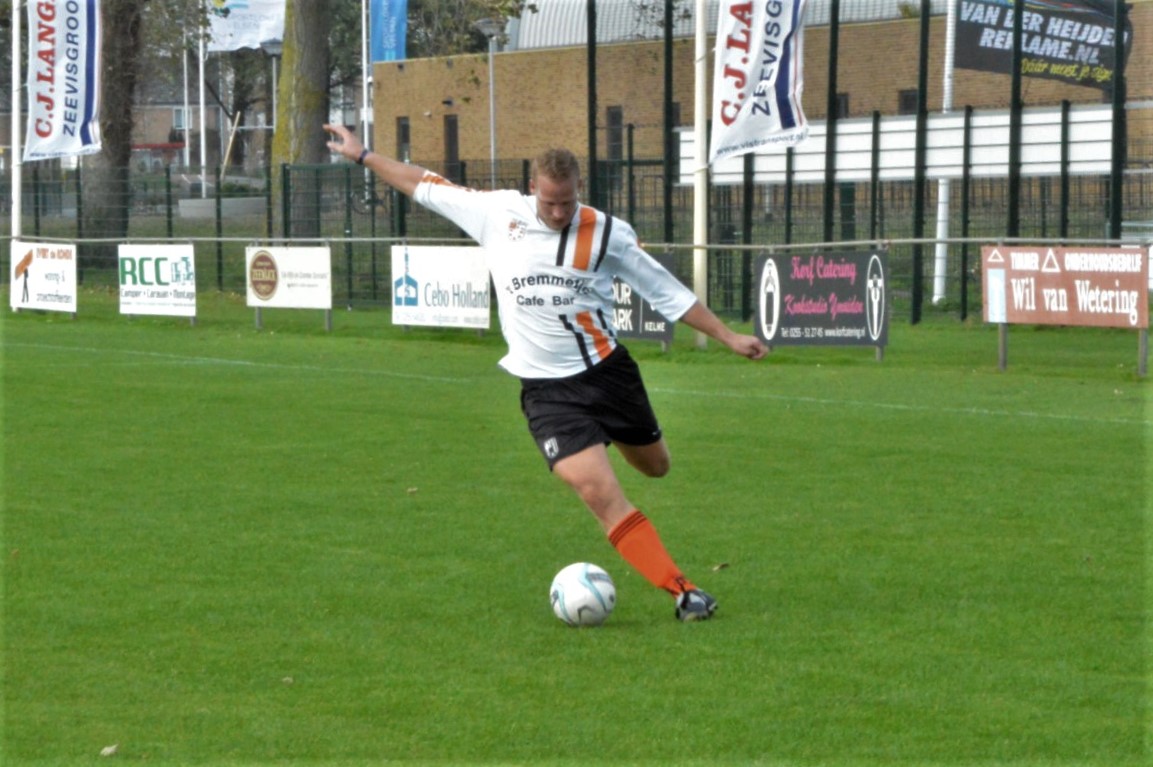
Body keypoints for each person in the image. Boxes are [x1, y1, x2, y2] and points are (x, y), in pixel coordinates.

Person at [325, 124, 768, 621]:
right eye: (550, 203)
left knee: (656, 467)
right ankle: (683, 590)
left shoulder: (607, 233)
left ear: (579, 191)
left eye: (567, 203)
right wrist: (363, 154)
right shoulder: (497, 213)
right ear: (533, 188)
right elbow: (421, 183)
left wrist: (728, 336)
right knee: (598, 491)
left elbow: (665, 291)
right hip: (547, 394)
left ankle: (614, 441)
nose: (559, 213)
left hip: (608, 374)